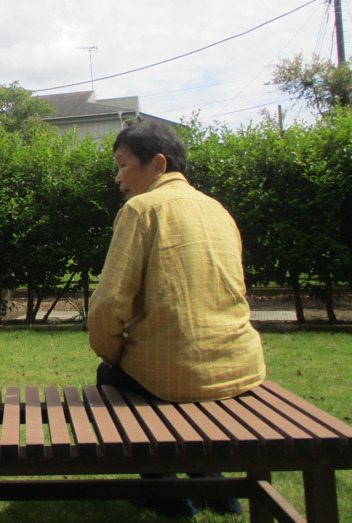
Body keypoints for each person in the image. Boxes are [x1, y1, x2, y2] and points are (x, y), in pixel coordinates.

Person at [88, 120, 266, 517]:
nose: (118, 178)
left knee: (112, 378)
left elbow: (107, 307)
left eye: (122, 165)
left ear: (158, 165)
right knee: (168, 382)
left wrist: (112, 353)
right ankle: (218, 490)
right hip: (240, 366)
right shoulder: (217, 209)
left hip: (178, 371)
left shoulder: (141, 209)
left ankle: (166, 494)